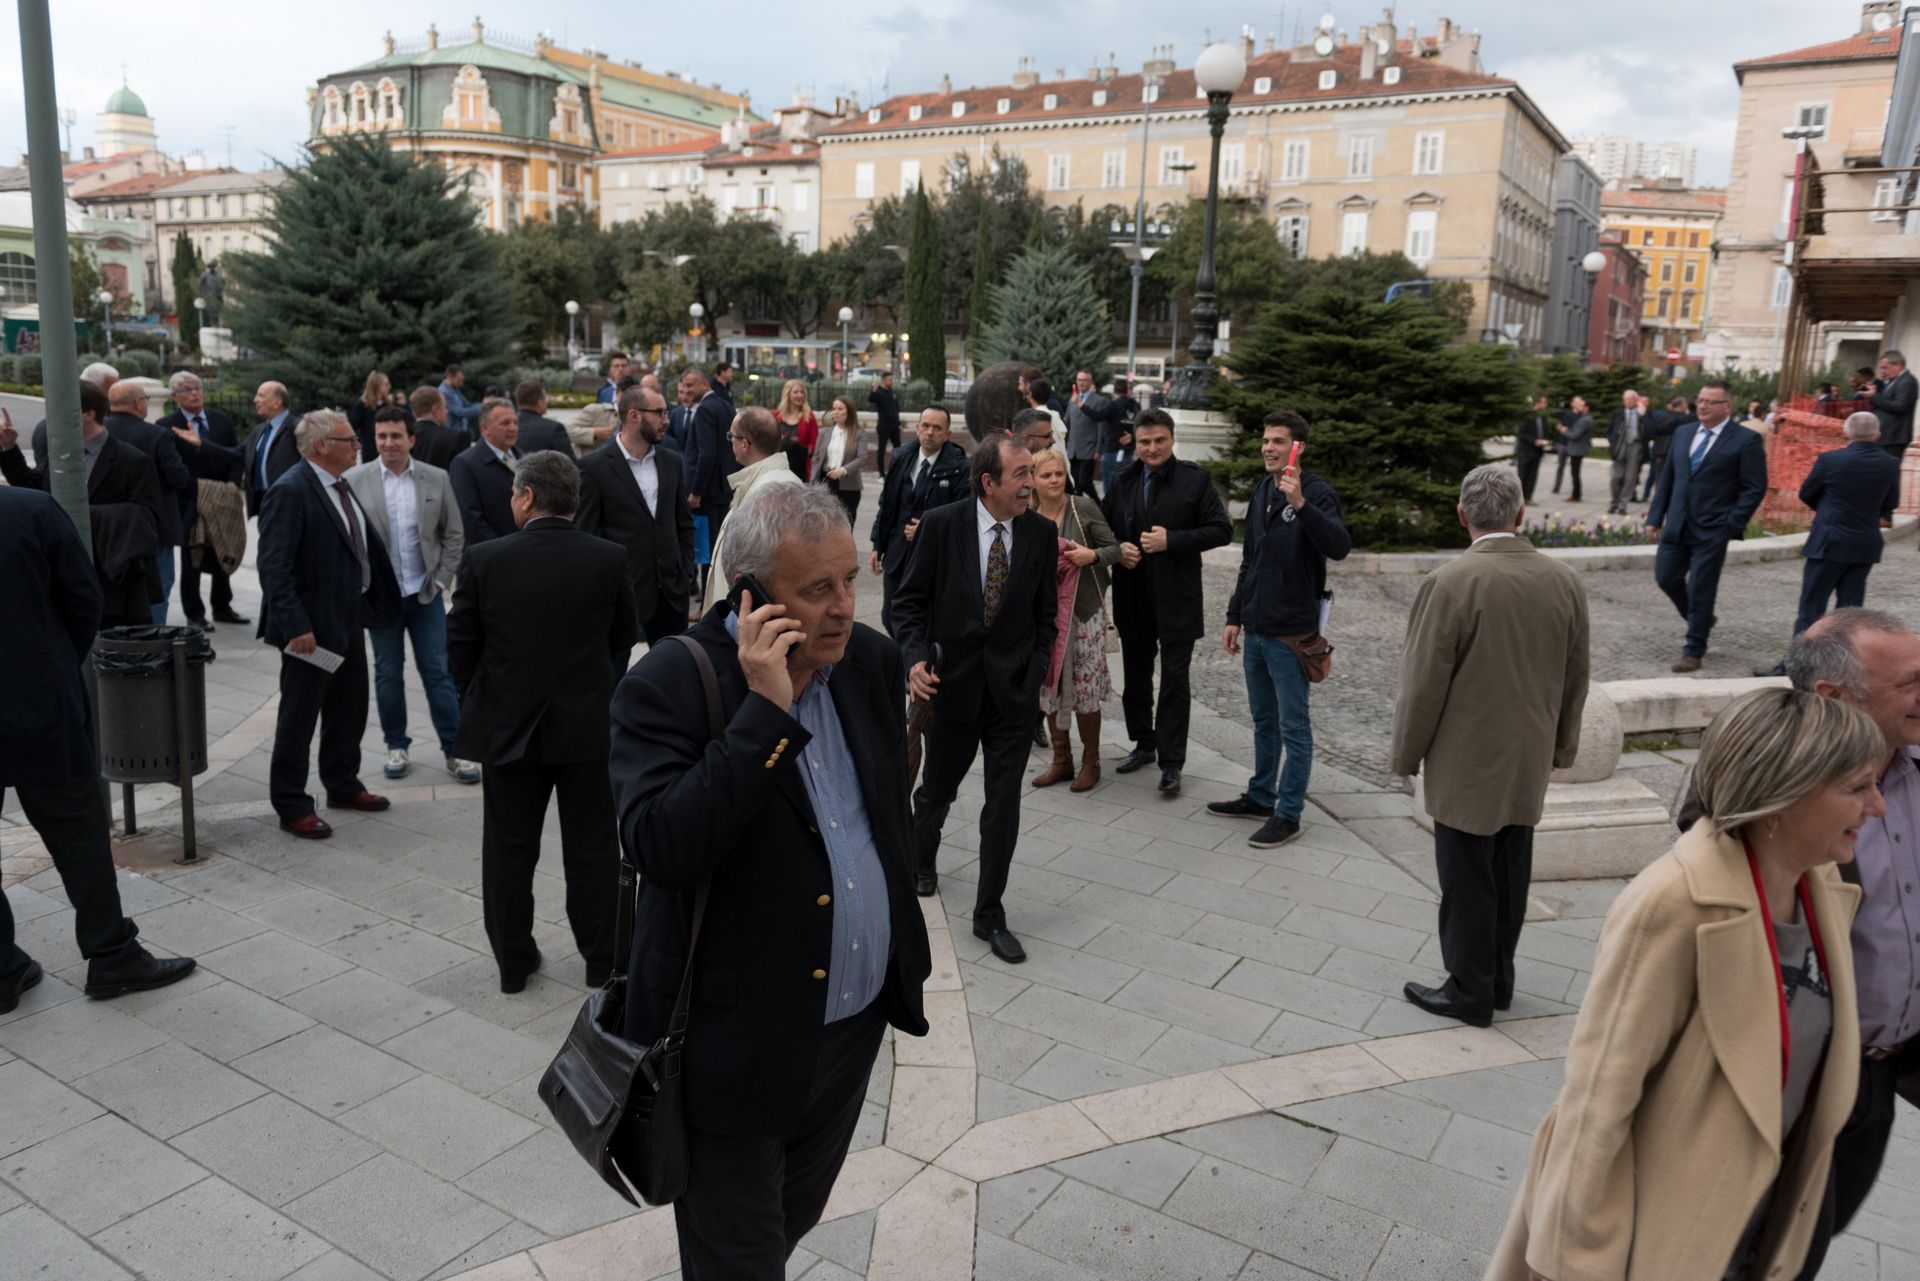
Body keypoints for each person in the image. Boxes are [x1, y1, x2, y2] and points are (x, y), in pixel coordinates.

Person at [608, 481, 931, 1278]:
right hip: (733, 1049)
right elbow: (660, 847)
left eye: (849, 580)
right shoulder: (670, 681)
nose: (844, 607)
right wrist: (764, 716)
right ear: (750, 595)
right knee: (740, 1259)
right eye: (817, 589)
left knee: (787, 1221)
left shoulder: (868, 661)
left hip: (849, 1028)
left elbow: (883, 811)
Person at [1488, 686, 1880, 1281]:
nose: (1878, 805)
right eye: (1858, 788)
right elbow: (1598, 1098)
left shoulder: (1821, 886)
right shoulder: (1674, 901)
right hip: (1658, 1239)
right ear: (1787, 791)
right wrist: (1574, 1259)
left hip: (1760, 1233)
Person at [1392, 464, 1590, 1027]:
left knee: (1466, 879)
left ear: (1462, 515)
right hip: (1528, 754)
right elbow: (1577, 674)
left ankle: (1469, 990)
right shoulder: (1563, 580)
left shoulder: (1450, 582)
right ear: (1521, 514)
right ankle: (1498, 980)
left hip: (1466, 757)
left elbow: (1423, 684)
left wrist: (1406, 754)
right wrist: (1563, 746)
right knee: (1509, 872)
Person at [0, 485, 196, 1012]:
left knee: (77, 829)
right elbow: (84, 600)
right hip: (39, 701)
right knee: (78, 833)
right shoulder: (30, 509)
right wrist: (53, 658)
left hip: (38, 695)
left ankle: (2, 967)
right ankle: (111, 953)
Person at [448, 450, 635, 992]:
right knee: (594, 849)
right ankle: (602, 960)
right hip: (587, 729)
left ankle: (513, 964)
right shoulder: (608, 557)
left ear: (527, 496)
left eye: (513, 493)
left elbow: (460, 644)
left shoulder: (485, 559)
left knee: (508, 851)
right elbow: (624, 635)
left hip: (509, 728)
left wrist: (484, 697)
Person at [894, 434, 1056, 964]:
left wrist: (1034, 673)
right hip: (952, 690)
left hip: (1013, 696)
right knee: (936, 792)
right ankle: (922, 858)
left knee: (1003, 806)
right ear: (989, 482)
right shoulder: (942, 525)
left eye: (1032, 473)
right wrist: (915, 660)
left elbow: (1046, 617)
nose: (1030, 484)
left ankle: (990, 915)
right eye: (1021, 475)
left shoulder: (1041, 533)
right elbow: (908, 603)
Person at [256, 411, 402, 839]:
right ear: (321, 445)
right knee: (299, 718)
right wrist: (295, 624)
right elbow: (274, 567)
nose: (358, 445)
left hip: (347, 618)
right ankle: (291, 804)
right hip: (310, 631)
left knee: (348, 708)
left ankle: (342, 783)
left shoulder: (338, 484)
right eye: (349, 439)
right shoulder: (290, 490)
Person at [1212, 413, 1353, 847]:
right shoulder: (1262, 490)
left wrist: (1301, 505)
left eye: (1278, 441)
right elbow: (1250, 559)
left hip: (1291, 634)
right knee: (1263, 720)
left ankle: (1288, 814)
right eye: (1266, 440)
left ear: (1298, 448)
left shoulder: (1315, 492)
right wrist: (1235, 615)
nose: (1268, 448)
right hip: (1256, 628)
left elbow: (1339, 546)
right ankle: (1260, 796)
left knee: (1294, 726)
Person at [1100, 408, 1232, 796]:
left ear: (1172, 439)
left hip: (1178, 598)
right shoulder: (1123, 480)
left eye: (1160, 440)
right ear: (1135, 443)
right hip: (1134, 595)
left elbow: (1221, 530)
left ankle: (1171, 763)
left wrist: (1172, 540)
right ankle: (1144, 743)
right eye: (1145, 442)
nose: (1152, 448)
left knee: (1175, 682)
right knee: (1136, 677)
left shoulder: (1195, 479)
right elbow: (1102, 530)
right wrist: (1119, 549)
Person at [344, 407, 478, 785]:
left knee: (438, 672)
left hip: (425, 594)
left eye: (396, 436)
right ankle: (396, 745)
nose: (388, 443)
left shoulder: (436, 478)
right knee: (388, 673)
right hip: (381, 599)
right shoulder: (355, 480)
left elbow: (454, 534)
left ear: (411, 439)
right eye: (381, 436)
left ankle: (456, 748)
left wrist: (441, 581)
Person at [0, 384, 169, 625]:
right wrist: (9, 448)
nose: (51, 418)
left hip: (113, 586)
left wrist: (81, 516)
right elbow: (34, 490)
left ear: (88, 413)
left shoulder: (133, 460)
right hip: (64, 580)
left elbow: (147, 518)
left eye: (60, 409)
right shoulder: (60, 454)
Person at [1756, 414, 1902, 675]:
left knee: (1811, 608)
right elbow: (1891, 503)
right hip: (1864, 544)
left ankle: (1796, 667)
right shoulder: (1890, 463)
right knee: (1850, 614)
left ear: (1845, 433)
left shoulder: (1830, 460)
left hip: (1828, 542)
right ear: (1877, 435)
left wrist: (1826, 511)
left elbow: (1806, 492)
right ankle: (1842, 668)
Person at [1647, 378, 1768, 672]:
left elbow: (1754, 487)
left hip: (1714, 528)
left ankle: (1694, 650)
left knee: (1702, 587)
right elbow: (1668, 478)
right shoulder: (1683, 432)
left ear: (1727, 406)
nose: (1702, 406)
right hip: (1677, 523)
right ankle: (1699, 617)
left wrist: (1731, 523)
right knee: (1666, 577)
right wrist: (1655, 517)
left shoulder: (1745, 440)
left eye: (1710, 402)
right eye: (1700, 400)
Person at [576, 384, 696, 647]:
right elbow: (586, 534)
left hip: (670, 594)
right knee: (615, 672)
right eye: (660, 413)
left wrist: (685, 570)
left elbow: (683, 523)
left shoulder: (671, 461)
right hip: (619, 597)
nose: (666, 420)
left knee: (672, 670)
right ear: (634, 416)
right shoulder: (594, 468)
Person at [1027, 447, 1118, 792]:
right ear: (1033, 480)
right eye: (1046, 475)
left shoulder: (1082, 508)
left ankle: (1091, 762)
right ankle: (1061, 760)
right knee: (1049, 686)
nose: (1054, 480)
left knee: (1085, 689)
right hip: (1045, 618)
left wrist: (1090, 555)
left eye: (1059, 473)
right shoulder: (1028, 515)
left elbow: (1115, 549)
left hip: (1083, 615)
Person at [869, 404, 969, 635]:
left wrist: (928, 529)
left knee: (922, 618)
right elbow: (887, 504)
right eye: (925, 426)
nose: (930, 432)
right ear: (917, 428)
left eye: (937, 428)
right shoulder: (901, 458)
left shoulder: (959, 468)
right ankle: (906, 654)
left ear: (947, 434)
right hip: (897, 552)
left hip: (931, 557)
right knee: (889, 616)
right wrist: (877, 544)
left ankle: (913, 656)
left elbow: (963, 515)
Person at [159, 371, 248, 628]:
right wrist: (198, 489)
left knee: (223, 549)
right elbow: (170, 466)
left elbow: (235, 456)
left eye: (197, 388)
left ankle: (222, 606)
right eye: (187, 390)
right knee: (192, 558)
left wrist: (232, 485)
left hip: (223, 498)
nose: (195, 393)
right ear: (175, 396)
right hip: (191, 500)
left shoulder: (222, 420)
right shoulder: (167, 425)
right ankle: (194, 614)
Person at [104, 379, 193, 624]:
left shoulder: (99, 432)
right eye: (146, 399)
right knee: (158, 588)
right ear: (137, 403)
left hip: (110, 526)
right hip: (154, 526)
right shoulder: (156, 435)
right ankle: (154, 639)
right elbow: (178, 477)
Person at [701, 406, 806, 612]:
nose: (730, 441)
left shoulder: (768, 493)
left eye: (731, 436)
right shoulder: (771, 482)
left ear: (745, 444)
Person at [448, 398, 524, 550]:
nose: (513, 428)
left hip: (524, 550)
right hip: (491, 555)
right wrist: (503, 550)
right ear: (484, 428)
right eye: (505, 423)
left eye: (515, 422)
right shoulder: (465, 463)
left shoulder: (524, 457)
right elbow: (470, 519)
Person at [244, 380, 303, 518]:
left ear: (276, 402)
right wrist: (202, 444)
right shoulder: (259, 430)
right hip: (263, 502)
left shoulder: (298, 428)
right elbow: (237, 453)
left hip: (288, 502)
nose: (255, 400)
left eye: (261, 395)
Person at [812, 395, 870, 526]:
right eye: (834, 408)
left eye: (840, 409)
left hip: (849, 485)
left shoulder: (859, 433)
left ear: (849, 412)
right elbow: (816, 458)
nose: (835, 412)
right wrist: (813, 481)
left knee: (846, 523)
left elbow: (862, 458)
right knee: (825, 523)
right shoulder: (824, 432)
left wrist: (843, 470)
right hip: (826, 481)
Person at [1065, 369, 1115, 498]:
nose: (1081, 383)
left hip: (1089, 448)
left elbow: (1101, 426)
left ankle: (1098, 504)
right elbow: (1068, 423)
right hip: (1073, 449)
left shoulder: (1099, 401)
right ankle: (1078, 506)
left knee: (1084, 481)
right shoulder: (1073, 400)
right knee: (1075, 483)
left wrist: (1099, 448)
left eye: (1084, 380)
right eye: (1079, 380)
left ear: (1090, 382)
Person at [1641, 394, 1689, 503]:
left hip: (1660, 451)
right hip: (1672, 452)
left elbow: (1652, 430)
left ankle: (1656, 499)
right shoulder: (1684, 419)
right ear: (1682, 405)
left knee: (1658, 478)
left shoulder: (1662, 417)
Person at [1871, 349, 1915, 466]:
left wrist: (1874, 397)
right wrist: (1873, 395)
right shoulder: (1892, 381)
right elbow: (1884, 403)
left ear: (1898, 365)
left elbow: (1900, 406)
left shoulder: (1907, 381)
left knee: (1888, 470)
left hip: (1894, 437)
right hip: (1886, 436)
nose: (1882, 371)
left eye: (1885, 367)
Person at [1606, 387, 1646, 515]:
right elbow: (1609, 431)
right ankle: (1614, 502)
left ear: (1636, 400)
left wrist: (1644, 414)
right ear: (1623, 401)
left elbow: (1650, 430)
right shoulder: (1617, 413)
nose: (1629, 401)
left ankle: (1623, 504)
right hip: (1620, 446)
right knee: (1616, 476)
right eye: (1626, 399)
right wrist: (1613, 443)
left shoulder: (1641, 414)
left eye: (1631, 399)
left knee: (1630, 478)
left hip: (1634, 446)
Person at [407, 386, 465, 470]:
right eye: (444, 407)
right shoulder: (456, 437)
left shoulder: (404, 435)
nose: (447, 412)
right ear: (435, 410)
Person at [513, 379, 575, 457]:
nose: (546, 402)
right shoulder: (554, 429)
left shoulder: (508, 427)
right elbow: (570, 462)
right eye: (545, 399)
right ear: (540, 403)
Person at [775, 378, 819, 484]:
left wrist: (802, 452)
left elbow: (815, 444)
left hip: (800, 468)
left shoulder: (809, 417)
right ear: (787, 394)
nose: (800, 395)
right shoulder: (776, 416)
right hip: (779, 466)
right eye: (795, 392)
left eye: (802, 392)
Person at [1101, 375, 1138, 495]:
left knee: (1110, 486)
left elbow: (1097, 416)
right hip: (1126, 451)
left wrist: (1081, 405)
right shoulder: (1134, 405)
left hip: (1113, 450)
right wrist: (1132, 437)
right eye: (1130, 389)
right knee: (1123, 485)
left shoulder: (1114, 405)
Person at [1512, 395, 1551, 503]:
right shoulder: (1527, 416)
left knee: (1533, 475)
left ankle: (1528, 497)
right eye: (1544, 402)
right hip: (1525, 450)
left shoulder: (1543, 417)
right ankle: (1519, 499)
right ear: (1537, 403)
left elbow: (1544, 432)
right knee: (1523, 475)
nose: (1546, 405)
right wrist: (1534, 441)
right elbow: (1521, 434)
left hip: (1538, 451)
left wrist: (1545, 440)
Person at [1553, 396, 1592, 502]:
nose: (1580, 406)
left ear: (1586, 407)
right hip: (1569, 446)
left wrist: (1563, 430)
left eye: (1582, 405)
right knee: (1571, 471)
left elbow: (1575, 435)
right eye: (1578, 403)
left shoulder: (1584, 419)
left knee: (1575, 473)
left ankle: (1576, 495)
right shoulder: (1570, 414)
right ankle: (1571, 492)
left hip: (1576, 449)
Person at [348, 370, 392, 462]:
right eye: (386, 384)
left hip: (388, 450)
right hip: (370, 453)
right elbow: (351, 426)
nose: (389, 386)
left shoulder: (388, 405)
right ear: (377, 386)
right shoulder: (363, 405)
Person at [867, 368, 900, 474]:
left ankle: (897, 471)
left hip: (894, 426)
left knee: (898, 450)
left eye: (892, 380)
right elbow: (871, 399)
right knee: (882, 450)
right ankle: (881, 474)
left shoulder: (892, 392)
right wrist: (873, 390)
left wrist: (898, 423)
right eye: (890, 380)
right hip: (884, 426)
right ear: (884, 380)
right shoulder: (879, 392)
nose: (892, 382)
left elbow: (896, 408)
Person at [1026, 375, 1066, 454]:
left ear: (1030, 394)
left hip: (1047, 459)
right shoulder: (1055, 415)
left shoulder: (1034, 418)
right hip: (1061, 459)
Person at [438, 363, 481, 437]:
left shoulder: (455, 389)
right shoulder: (444, 392)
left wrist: (485, 404)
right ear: (450, 377)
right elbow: (461, 412)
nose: (461, 384)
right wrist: (482, 407)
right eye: (459, 380)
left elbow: (467, 405)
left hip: (461, 432)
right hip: (451, 434)